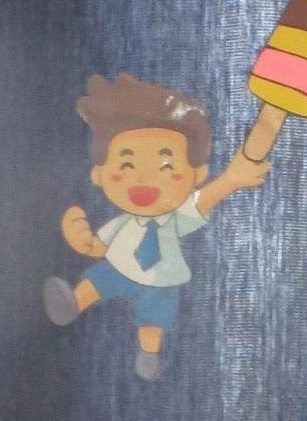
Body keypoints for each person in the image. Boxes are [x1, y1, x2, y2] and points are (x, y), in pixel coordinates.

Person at [42, 72, 268, 381]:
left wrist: (230, 180)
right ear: (99, 175)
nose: (143, 180)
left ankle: (148, 355)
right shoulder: (123, 223)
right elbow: (98, 247)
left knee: (153, 322)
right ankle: (72, 304)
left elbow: (203, 201)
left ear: (197, 174)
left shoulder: (176, 217)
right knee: (94, 282)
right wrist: (80, 239)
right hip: (119, 265)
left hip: (161, 280)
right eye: (126, 165)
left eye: (165, 166)